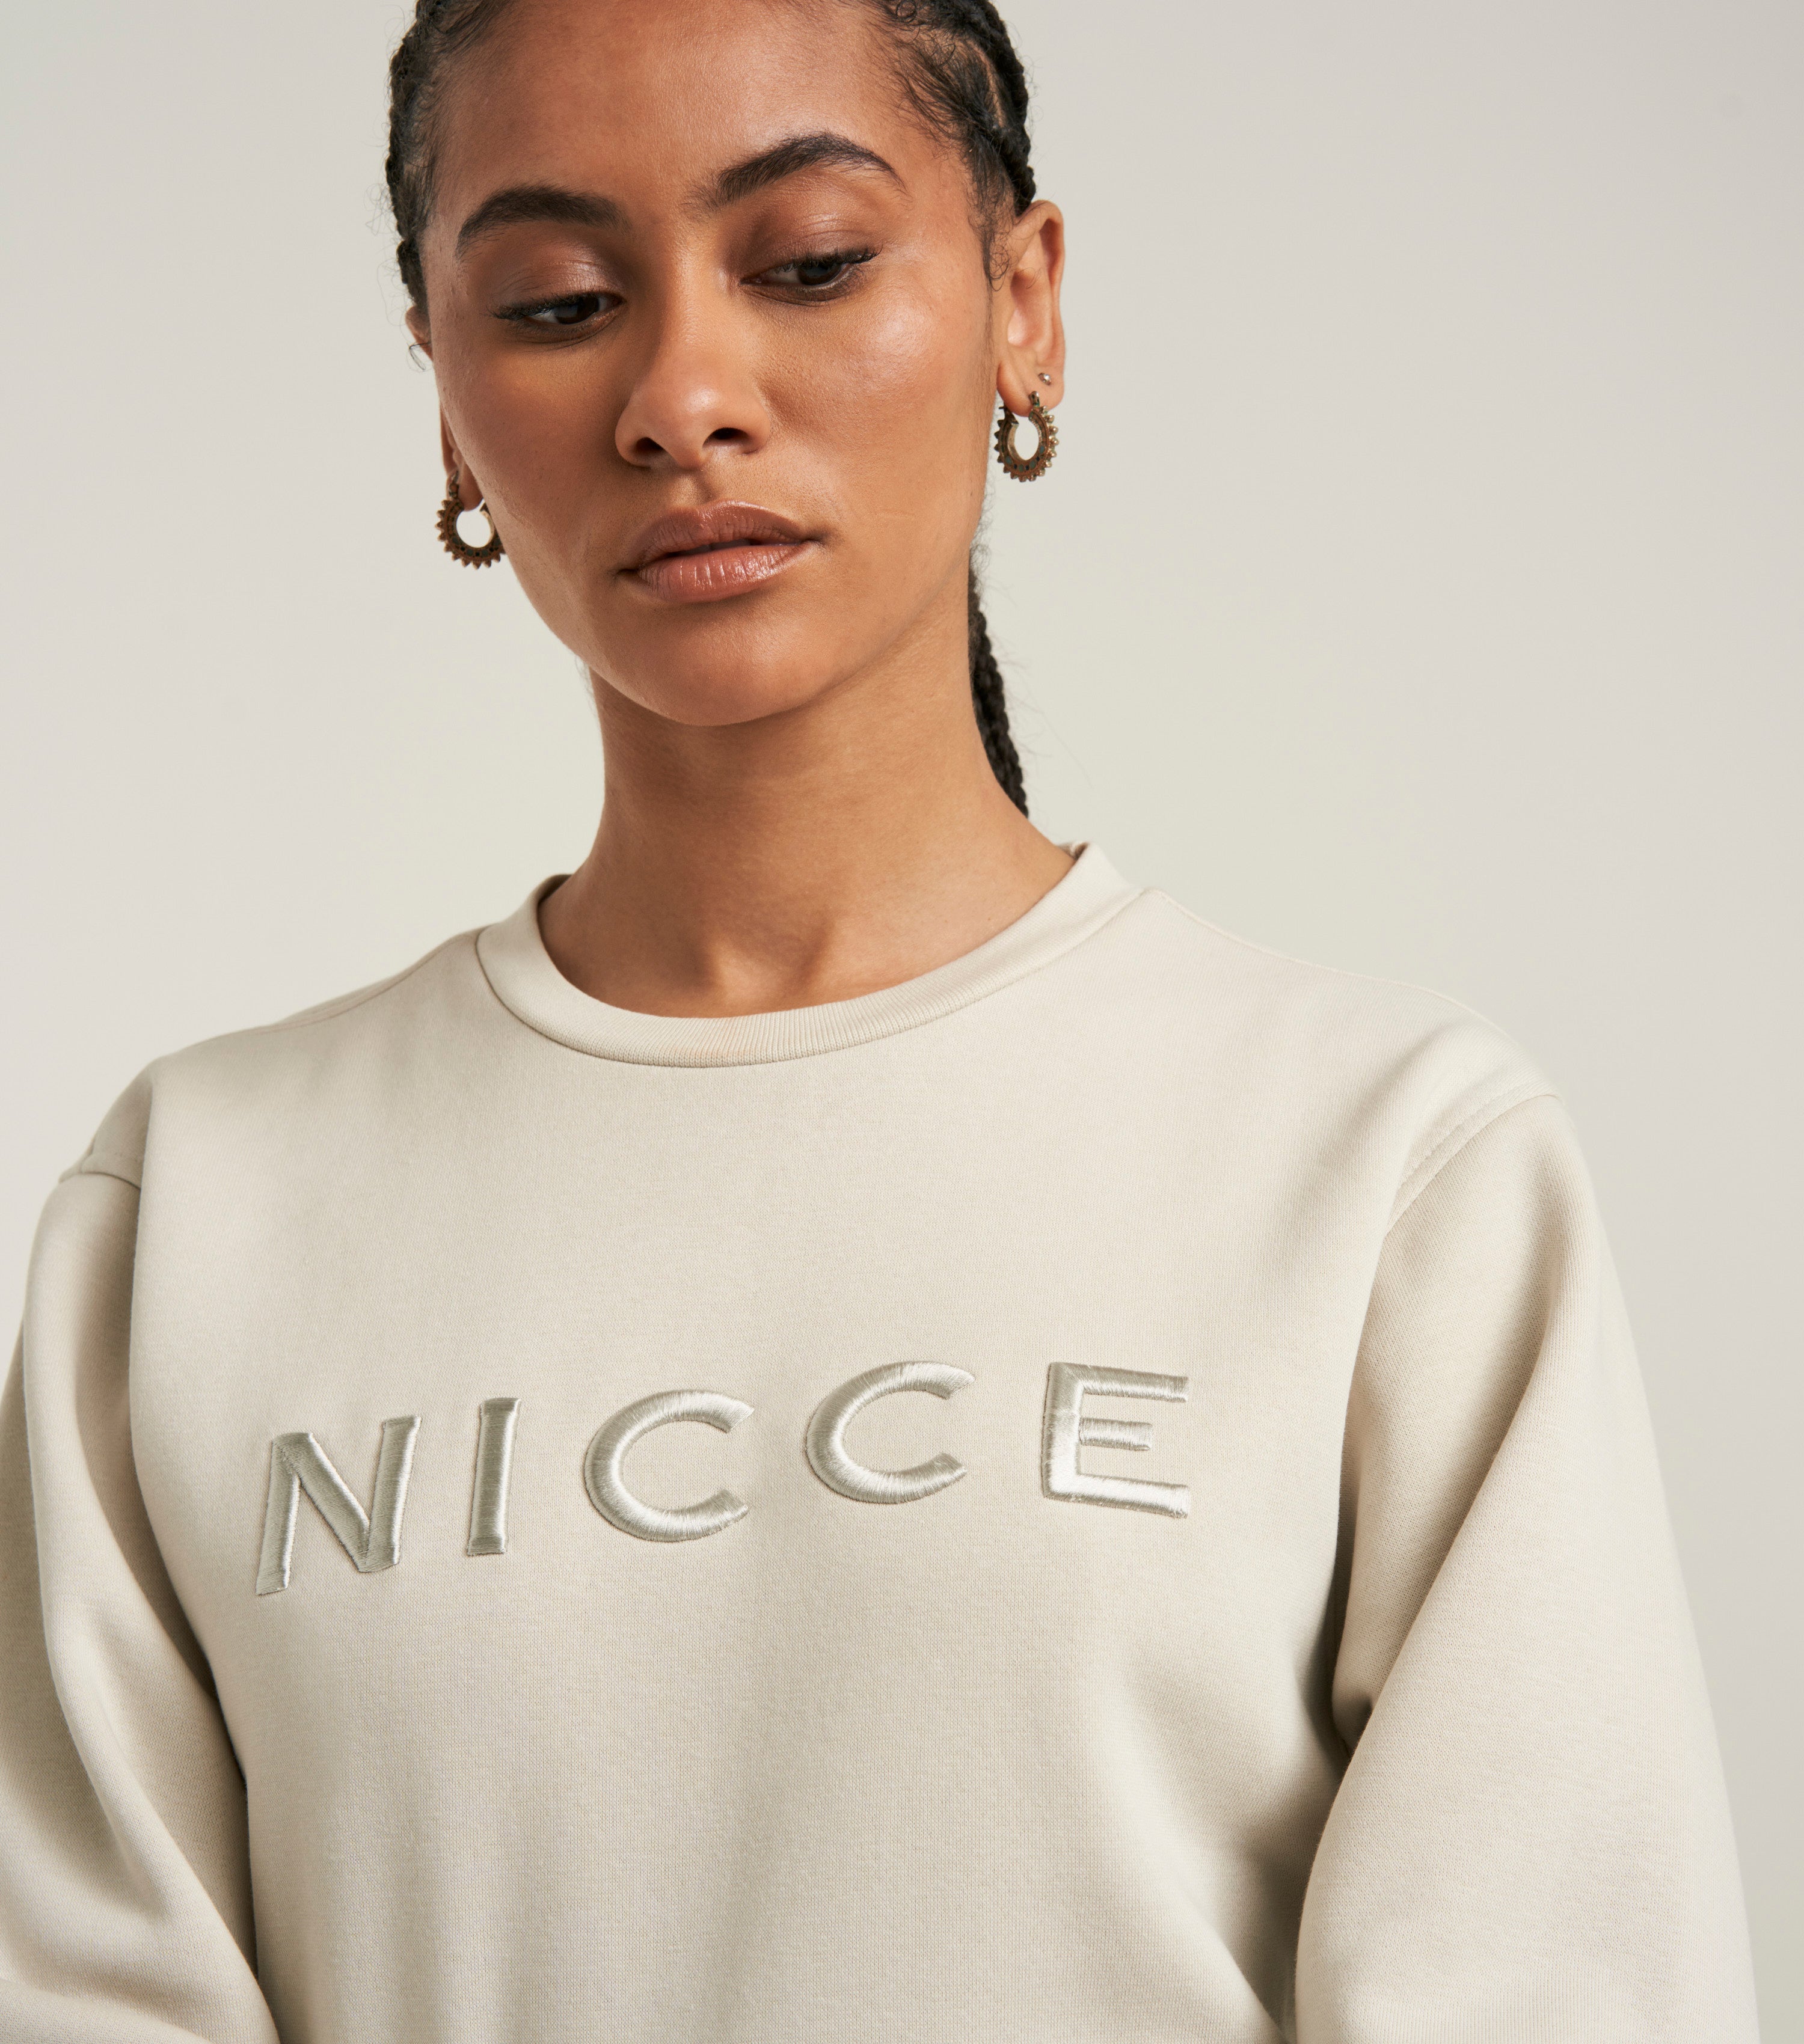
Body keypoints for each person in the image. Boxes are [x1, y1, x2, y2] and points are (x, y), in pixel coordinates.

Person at [0, 0, 1760, 2038]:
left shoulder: (1382, 1164)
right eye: (559, 303)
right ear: (447, 395)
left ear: (1026, 301)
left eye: (812, 262)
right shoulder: (204, 1208)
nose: (684, 396)